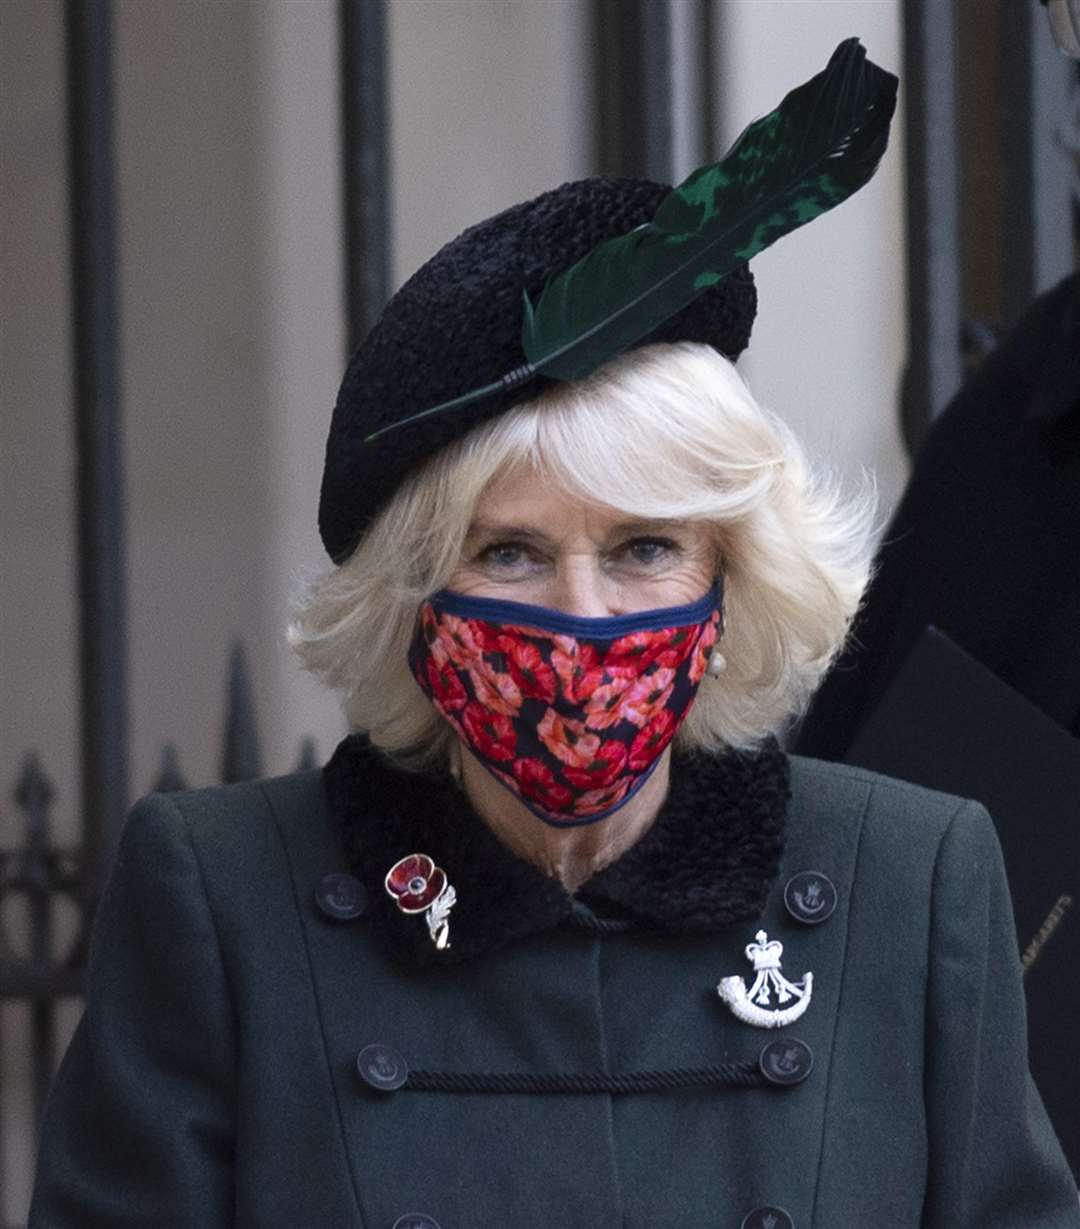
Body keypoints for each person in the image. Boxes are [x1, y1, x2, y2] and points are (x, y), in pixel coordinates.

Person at [30, 43, 1078, 1229]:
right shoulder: (224, 900)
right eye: (509, 551)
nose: (582, 617)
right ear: (414, 594)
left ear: (731, 576)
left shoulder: (912, 879)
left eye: (643, 548)